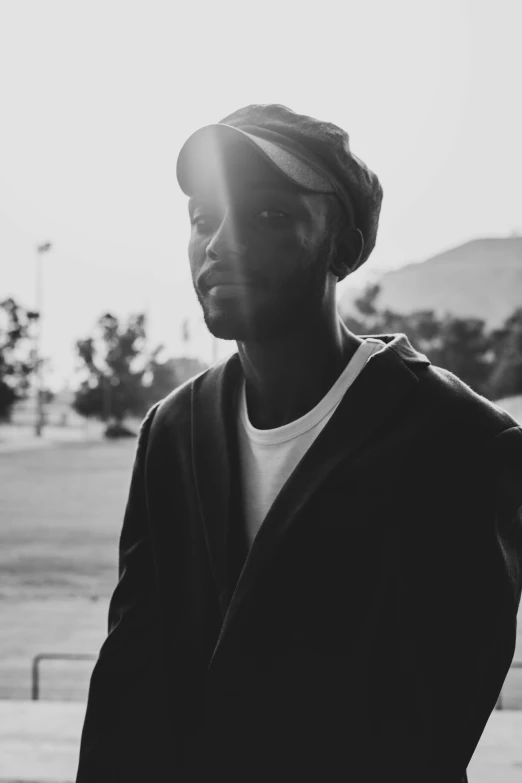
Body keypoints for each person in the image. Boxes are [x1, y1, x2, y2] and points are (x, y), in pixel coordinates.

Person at [76, 104, 522, 783]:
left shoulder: (464, 445)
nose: (219, 243)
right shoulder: (173, 429)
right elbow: (131, 680)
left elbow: (434, 717)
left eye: (268, 216)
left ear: (341, 246)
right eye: (202, 218)